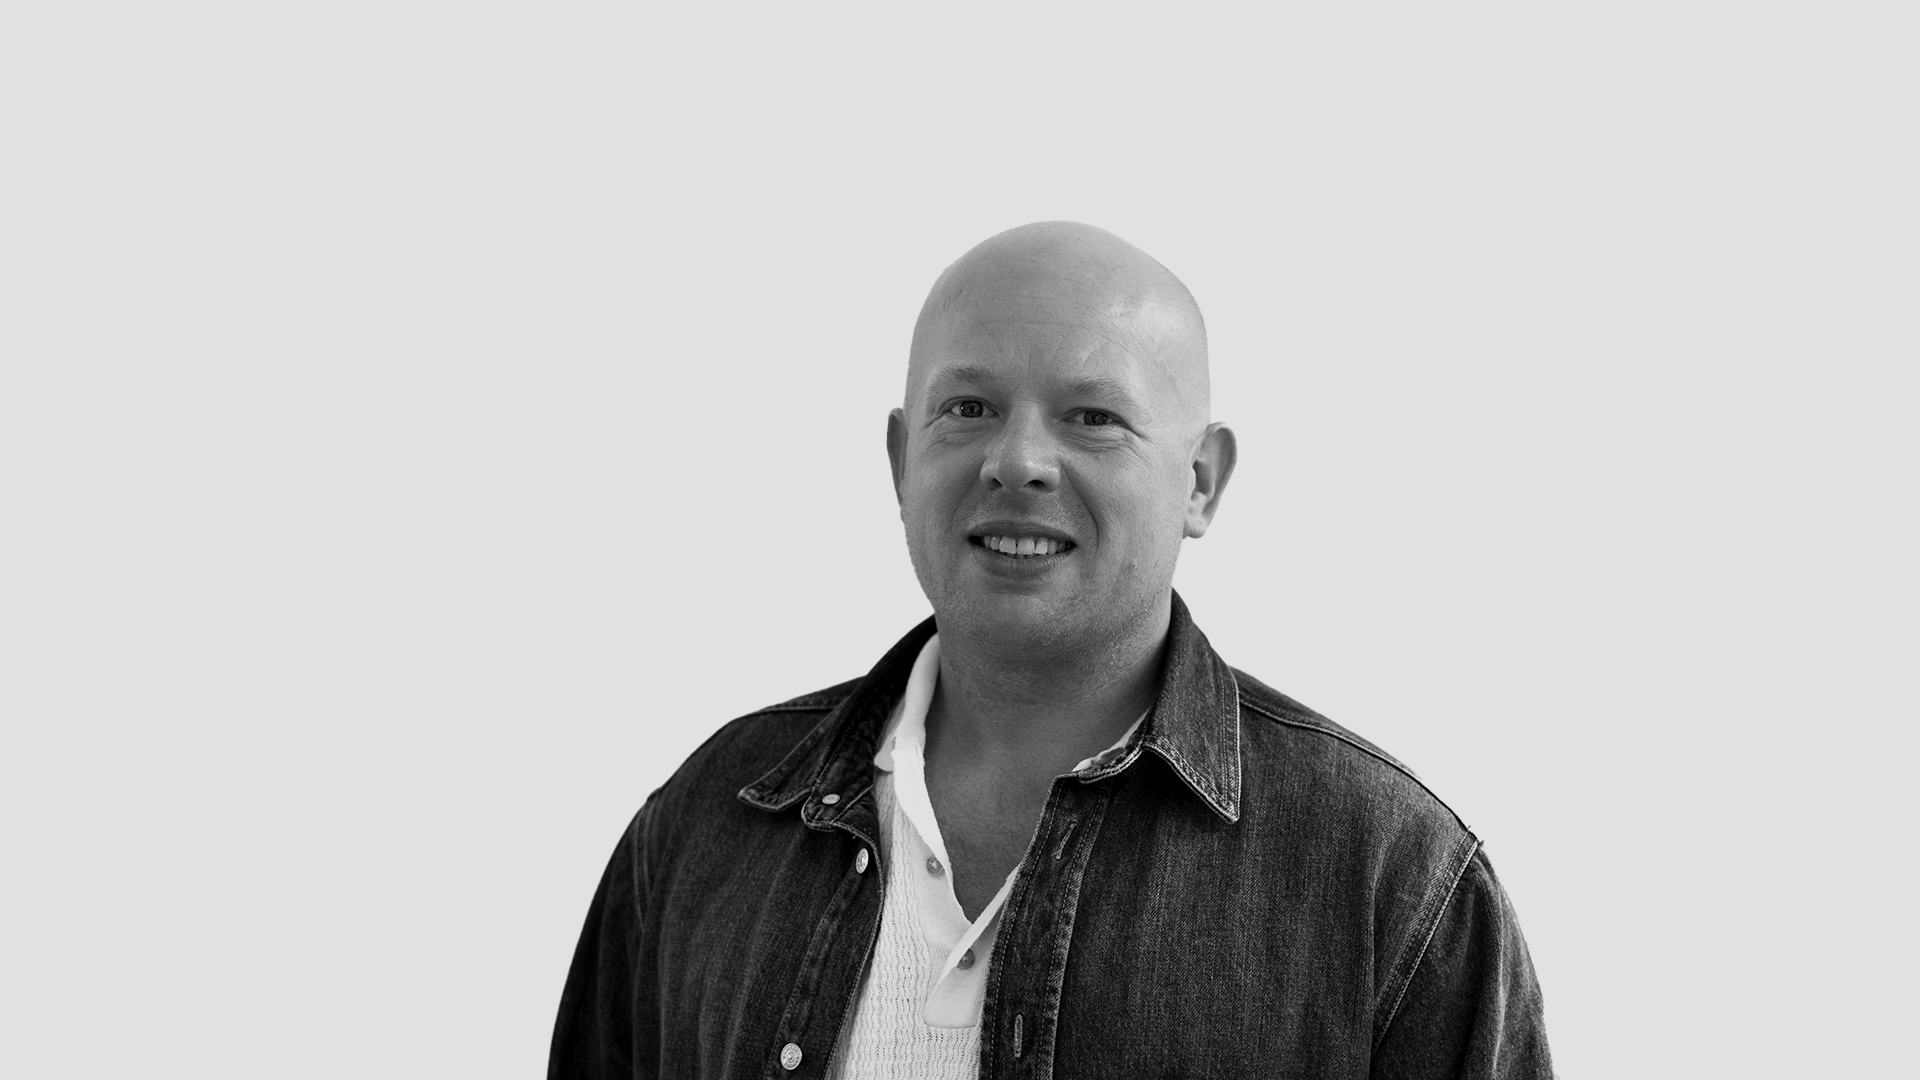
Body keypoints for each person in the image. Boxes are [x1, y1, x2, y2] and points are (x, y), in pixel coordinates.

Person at [549, 222, 1552, 1078]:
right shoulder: (707, 826)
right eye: (968, 409)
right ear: (901, 459)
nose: (1019, 461)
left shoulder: (1389, 880)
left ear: (1201, 481)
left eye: (1093, 418)